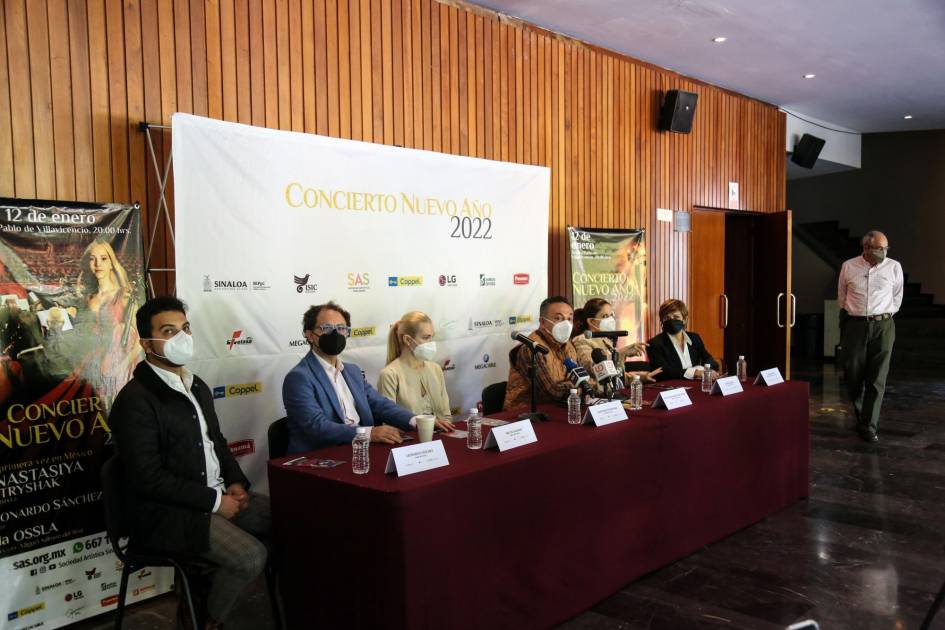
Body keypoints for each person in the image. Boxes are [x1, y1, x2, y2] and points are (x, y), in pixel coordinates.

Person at [110, 296, 270, 630]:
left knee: (296, 519)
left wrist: (236, 483)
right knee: (249, 556)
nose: (182, 337)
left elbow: (217, 442)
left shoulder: (195, 385)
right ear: (147, 343)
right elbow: (148, 478)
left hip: (216, 495)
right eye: (169, 331)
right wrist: (215, 502)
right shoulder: (135, 401)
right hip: (168, 513)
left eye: (185, 328)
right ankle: (204, 621)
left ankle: (207, 591)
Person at [282, 301, 421, 453]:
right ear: (310, 335)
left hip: (360, 450)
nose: (335, 334)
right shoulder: (299, 378)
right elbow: (315, 426)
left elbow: (379, 404)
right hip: (321, 456)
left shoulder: (352, 371)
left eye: (341, 328)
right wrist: (368, 433)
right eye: (326, 328)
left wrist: (417, 421)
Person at [838, 230, 903, 442]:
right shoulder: (849, 266)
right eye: (879, 249)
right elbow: (842, 297)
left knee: (877, 378)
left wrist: (882, 315)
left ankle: (869, 425)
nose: (884, 252)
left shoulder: (894, 267)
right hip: (855, 325)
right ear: (866, 248)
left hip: (883, 325)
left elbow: (897, 297)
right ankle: (862, 416)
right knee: (853, 375)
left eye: (886, 248)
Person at [75, 239, 141, 399]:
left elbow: (140, 341)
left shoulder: (125, 296)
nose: (98, 264)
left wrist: (121, 368)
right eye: (93, 259)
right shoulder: (89, 298)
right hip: (94, 365)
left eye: (103, 258)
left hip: (119, 369)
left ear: (111, 263)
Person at [378, 311, 456, 430]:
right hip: (407, 440)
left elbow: (446, 416)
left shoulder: (435, 369)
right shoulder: (389, 374)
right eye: (426, 337)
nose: (431, 343)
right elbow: (389, 424)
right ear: (407, 340)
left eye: (432, 337)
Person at [503, 296, 579, 410]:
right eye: (558, 318)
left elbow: (583, 378)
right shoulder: (531, 348)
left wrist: (578, 386)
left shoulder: (569, 345)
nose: (566, 324)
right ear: (543, 322)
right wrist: (577, 388)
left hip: (560, 408)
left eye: (569, 319)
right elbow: (551, 392)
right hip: (524, 413)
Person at [572, 298, 660, 387]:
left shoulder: (606, 341)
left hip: (615, 392)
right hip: (599, 393)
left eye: (611, 315)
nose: (610, 319)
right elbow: (593, 371)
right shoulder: (581, 340)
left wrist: (641, 377)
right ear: (591, 321)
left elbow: (616, 376)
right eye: (605, 316)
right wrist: (620, 353)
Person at [646, 298, 719, 381]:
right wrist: (695, 372)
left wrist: (706, 370)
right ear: (662, 321)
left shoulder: (694, 338)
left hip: (695, 386)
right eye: (666, 318)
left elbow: (709, 360)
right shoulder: (654, 344)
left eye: (676, 317)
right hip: (671, 387)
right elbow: (663, 372)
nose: (671, 320)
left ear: (684, 320)